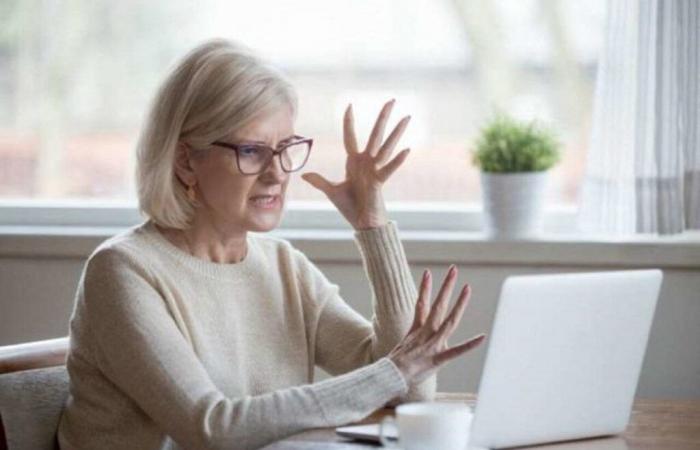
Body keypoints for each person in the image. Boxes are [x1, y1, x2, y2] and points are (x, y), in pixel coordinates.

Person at [57, 39, 485, 450]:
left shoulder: (283, 265)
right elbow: (212, 429)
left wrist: (371, 222)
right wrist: (392, 371)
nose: (278, 173)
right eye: (252, 150)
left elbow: (410, 391)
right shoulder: (122, 271)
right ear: (187, 160)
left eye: (286, 148)